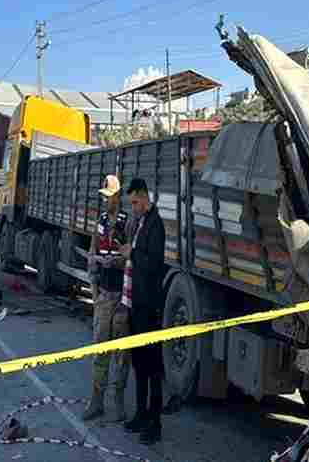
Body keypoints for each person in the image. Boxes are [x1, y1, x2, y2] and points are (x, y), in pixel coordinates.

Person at [83, 175, 131, 422]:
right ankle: (96, 402)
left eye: (109, 197)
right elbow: (92, 253)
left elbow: (134, 256)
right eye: (103, 197)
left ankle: (118, 403)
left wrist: (119, 261)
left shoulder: (129, 222)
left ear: (118, 196)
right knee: (100, 351)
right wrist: (93, 290)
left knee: (122, 354)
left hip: (122, 299)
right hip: (103, 294)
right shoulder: (100, 222)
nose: (105, 201)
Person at [121, 178, 166, 445]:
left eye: (136, 202)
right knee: (138, 364)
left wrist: (132, 252)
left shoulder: (155, 224)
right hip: (135, 305)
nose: (134, 207)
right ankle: (140, 413)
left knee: (152, 367)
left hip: (149, 307)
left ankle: (154, 422)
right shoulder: (139, 222)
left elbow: (153, 263)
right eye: (132, 204)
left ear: (145, 197)